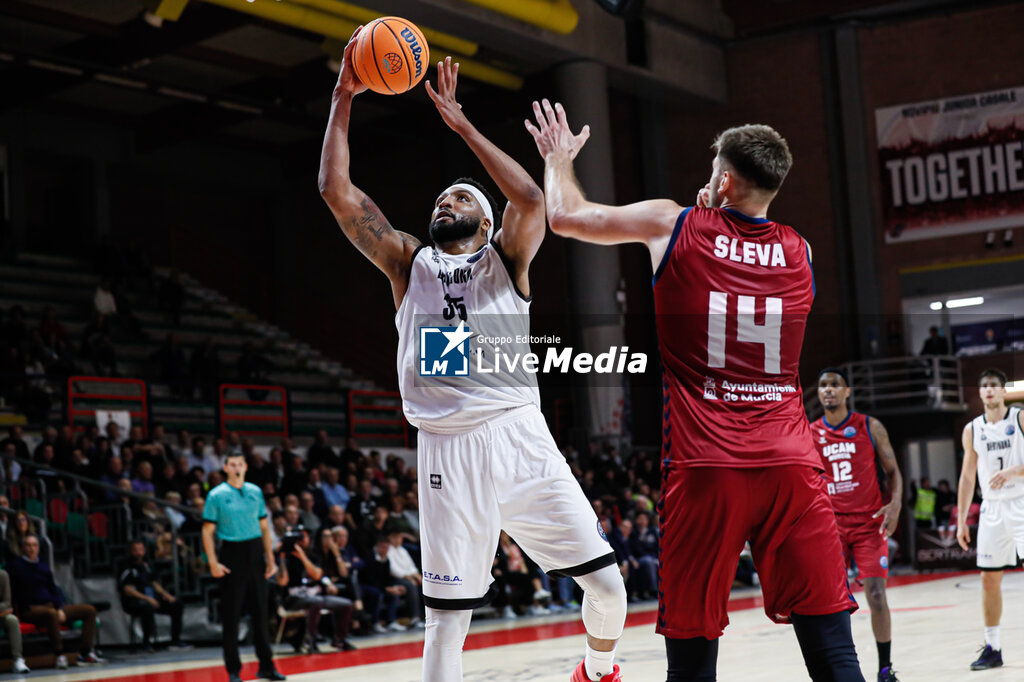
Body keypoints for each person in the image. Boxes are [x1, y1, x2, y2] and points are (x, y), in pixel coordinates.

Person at [320, 44, 626, 682]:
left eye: (460, 200)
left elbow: (532, 200)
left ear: (486, 223)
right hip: (446, 450)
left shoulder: (507, 261)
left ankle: (597, 672)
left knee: (609, 589)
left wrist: (460, 125)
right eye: (440, 201)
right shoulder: (410, 263)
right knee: (446, 625)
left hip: (518, 435)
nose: (445, 205)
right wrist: (343, 98)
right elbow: (336, 192)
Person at [527, 108, 861, 681]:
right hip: (791, 464)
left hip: (707, 468)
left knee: (692, 654)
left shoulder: (673, 223)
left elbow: (564, 216)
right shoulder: (802, 250)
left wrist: (558, 160)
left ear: (725, 181)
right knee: (833, 650)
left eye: (713, 171)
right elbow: (745, 252)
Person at [815, 368, 904, 682]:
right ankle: (840, 667)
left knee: (877, 595)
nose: (828, 390)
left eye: (835, 385)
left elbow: (893, 471)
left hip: (869, 523)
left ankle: (884, 668)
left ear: (847, 391)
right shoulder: (811, 432)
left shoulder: (869, 426)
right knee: (831, 601)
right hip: (830, 526)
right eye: (823, 386)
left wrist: (895, 505)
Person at [956, 368, 1024, 671]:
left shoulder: (1019, 418)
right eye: (984, 386)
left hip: (1021, 502)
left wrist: (1014, 471)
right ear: (980, 392)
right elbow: (967, 476)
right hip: (992, 509)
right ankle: (993, 648)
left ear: (1003, 390)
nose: (989, 391)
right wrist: (960, 520)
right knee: (988, 579)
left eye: (994, 385)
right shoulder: (972, 429)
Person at [201, 452, 284, 682]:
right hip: (231, 552)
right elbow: (206, 532)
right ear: (225, 467)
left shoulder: (255, 492)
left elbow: (265, 528)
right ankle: (234, 670)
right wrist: (213, 562)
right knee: (232, 614)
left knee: (261, 612)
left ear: (245, 467)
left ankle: (266, 666)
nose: (237, 467)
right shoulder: (216, 495)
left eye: (240, 464)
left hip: (255, 551)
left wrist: (270, 558)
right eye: (232, 464)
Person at [8, 534, 104, 668]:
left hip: (52, 606)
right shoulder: (15, 567)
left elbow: (53, 589)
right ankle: (59, 654)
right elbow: (18, 593)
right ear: (22, 547)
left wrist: (59, 607)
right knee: (51, 614)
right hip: (31, 609)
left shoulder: (44, 566)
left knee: (89, 610)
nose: (32, 548)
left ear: (38, 548)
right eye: (28, 545)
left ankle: (86, 652)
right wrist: (54, 610)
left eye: (34, 545)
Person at [275, 526, 356, 652]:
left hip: (315, 596)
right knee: (316, 602)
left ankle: (340, 640)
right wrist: (281, 559)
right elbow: (282, 581)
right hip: (294, 598)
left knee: (347, 605)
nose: (300, 541)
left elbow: (317, 575)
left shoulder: (314, 556)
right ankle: (310, 641)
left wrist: (302, 557)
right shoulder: (284, 557)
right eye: (297, 539)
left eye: (302, 537)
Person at [119, 539, 188, 652]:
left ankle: (175, 641)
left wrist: (166, 595)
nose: (139, 553)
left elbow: (154, 583)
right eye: (135, 550)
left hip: (151, 598)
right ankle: (146, 643)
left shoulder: (147, 565)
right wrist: (147, 599)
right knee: (147, 607)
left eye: (141, 550)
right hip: (133, 601)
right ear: (130, 552)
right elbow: (127, 589)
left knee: (176, 605)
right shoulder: (126, 567)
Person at [0, 567, 30, 673]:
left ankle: (18, 660)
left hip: (1, 615)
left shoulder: (3, 575)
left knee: (12, 620)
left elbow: (7, 603)